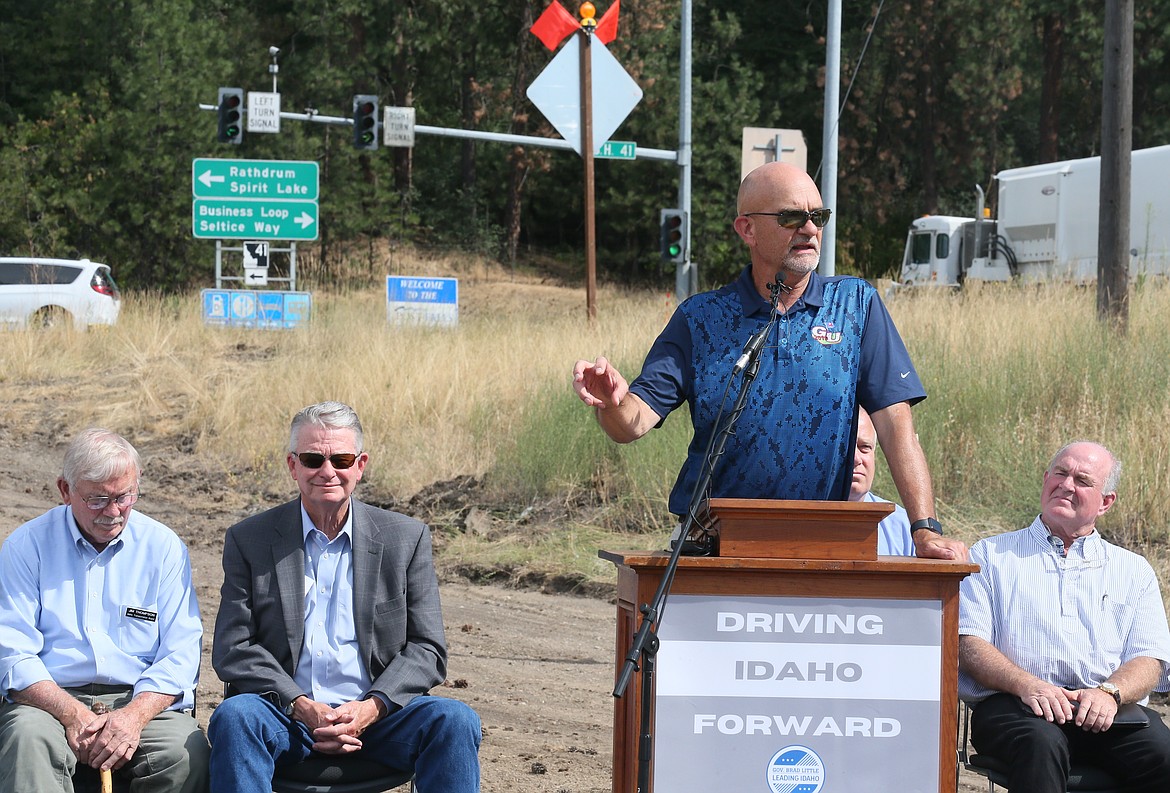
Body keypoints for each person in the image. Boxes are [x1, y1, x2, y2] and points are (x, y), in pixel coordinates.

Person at [572, 161, 965, 560]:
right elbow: (633, 422)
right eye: (792, 217)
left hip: (822, 547)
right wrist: (613, 402)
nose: (810, 229)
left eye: (819, 216)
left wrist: (925, 530)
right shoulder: (700, 318)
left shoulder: (856, 306)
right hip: (715, 550)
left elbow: (897, 426)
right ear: (747, 229)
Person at [209, 401, 481, 793]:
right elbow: (234, 648)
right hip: (285, 716)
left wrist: (370, 708)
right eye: (312, 458)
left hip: (380, 721)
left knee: (454, 720)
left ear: (360, 465)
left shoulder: (405, 538)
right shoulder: (250, 539)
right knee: (236, 717)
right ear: (292, 466)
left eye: (341, 458)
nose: (327, 471)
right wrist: (302, 706)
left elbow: (427, 648)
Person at [0, 428, 209, 792]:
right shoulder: (26, 546)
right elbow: (13, 654)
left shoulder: (163, 548)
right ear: (65, 490)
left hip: (138, 698)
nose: (113, 512)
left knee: (183, 753)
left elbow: (181, 654)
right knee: (27, 740)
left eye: (125, 496)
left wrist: (133, 715)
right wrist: (70, 713)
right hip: (48, 699)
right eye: (97, 499)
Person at [958, 441, 1170, 792]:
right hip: (1016, 707)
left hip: (1107, 710)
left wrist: (1109, 693)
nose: (1066, 485)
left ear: (1106, 502)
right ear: (1045, 479)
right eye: (1060, 473)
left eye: (1083, 480)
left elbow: (1150, 660)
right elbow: (968, 644)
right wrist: (1027, 685)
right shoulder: (991, 556)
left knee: (1164, 755)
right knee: (1042, 744)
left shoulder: (1134, 571)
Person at [848, 407, 914, 556]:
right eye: (845, 448)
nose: (856, 459)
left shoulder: (903, 527)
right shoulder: (802, 518)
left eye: (864, 447)